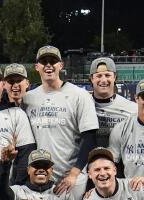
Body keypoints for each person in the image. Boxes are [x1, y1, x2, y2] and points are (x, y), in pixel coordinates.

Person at [23, 46, 98, 189]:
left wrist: (74, 174)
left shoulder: (79, 95)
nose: (49, 65)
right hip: (40, 178)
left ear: (61, 65)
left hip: (71, 178)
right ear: (37, 67)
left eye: (53, 61)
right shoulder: (28, 99)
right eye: (44, 62)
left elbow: (89, 138)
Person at [89, 57, 137, 148]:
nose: (103, 80)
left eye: (107, 75)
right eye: (99, 76)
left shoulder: (133, 109)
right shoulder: (81, 106)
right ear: (91, 78)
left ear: (115, 77)